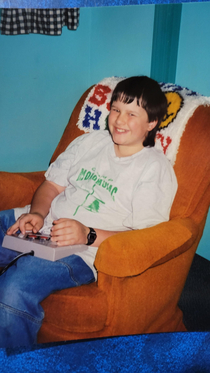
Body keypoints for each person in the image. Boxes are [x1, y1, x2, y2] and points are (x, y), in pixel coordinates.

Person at [0, 76, 177, 348]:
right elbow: (51, 185)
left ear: (151, 123)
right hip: (37, 226)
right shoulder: (90, 142)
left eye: (132, 114)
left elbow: (145, 237)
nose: (119, 120)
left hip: (82, 252)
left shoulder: (154, 168)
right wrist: (37, 213)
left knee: (15, 288)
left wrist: (88, 234)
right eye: (116, 109)